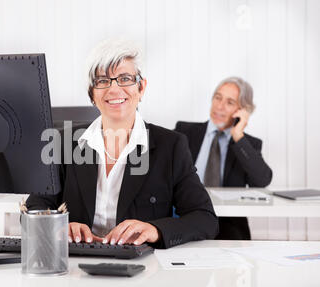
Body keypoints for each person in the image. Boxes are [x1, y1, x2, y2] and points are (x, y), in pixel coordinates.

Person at [26, 38, 218, 248]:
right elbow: (34, 208)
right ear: (92, 94)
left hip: (142, 269)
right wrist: (57, 227)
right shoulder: (64, 143)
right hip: (75, 265)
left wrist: (155, 231)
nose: (114, 89)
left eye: (125, 78)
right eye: (102, 81)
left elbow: (204, 218)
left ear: (141, 88)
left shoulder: (171, 146)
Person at [175, 77, 272, 240]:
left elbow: (262, 181)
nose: (219, 106)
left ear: (242, 110)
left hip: (227, 226)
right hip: (184, 219)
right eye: (218, 97)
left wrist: (238, 136)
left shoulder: (247, 145)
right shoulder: (184, 132)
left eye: (230, 102)